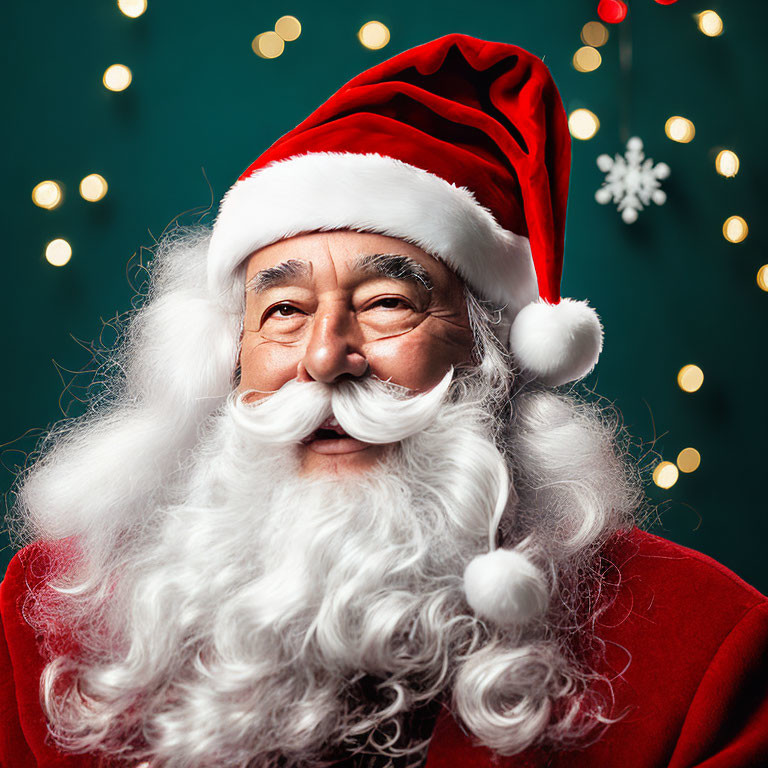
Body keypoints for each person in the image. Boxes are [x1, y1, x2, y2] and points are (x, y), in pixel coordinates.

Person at [2, 33, 767, 768]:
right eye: (283, 311)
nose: (327, 356)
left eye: (387, 302)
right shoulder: (53, 620)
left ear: (492, 358)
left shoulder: (702, 650)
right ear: (227, 360)